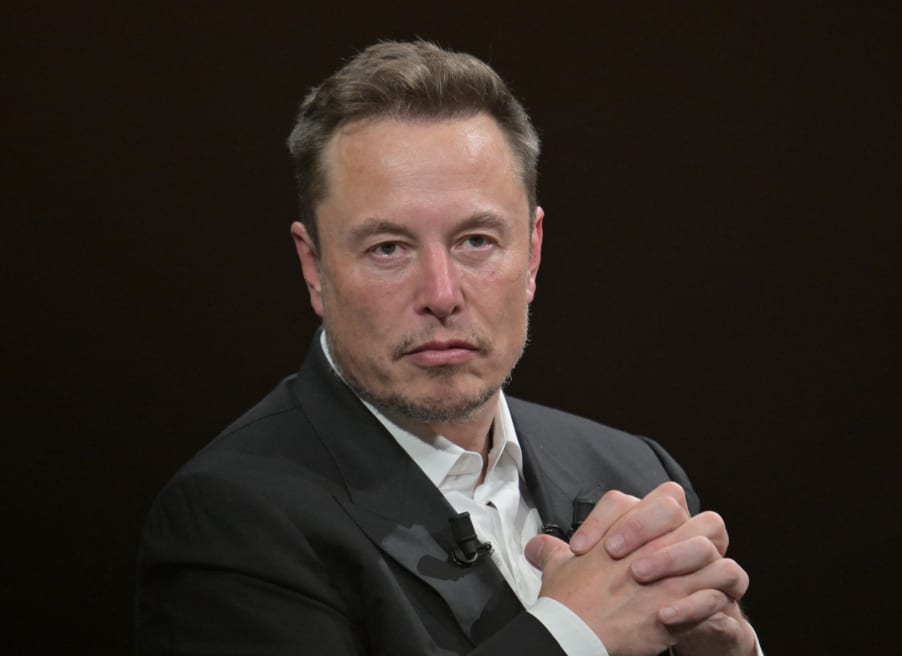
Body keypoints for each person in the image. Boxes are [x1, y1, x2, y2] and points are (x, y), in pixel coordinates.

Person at [136, 40, 762, 656]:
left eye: (476, 241)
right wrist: (572, 635)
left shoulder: (634, 472)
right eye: (388, 248)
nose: (441, 294)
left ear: (534, 252)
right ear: (314, 266)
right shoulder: (231, 519)